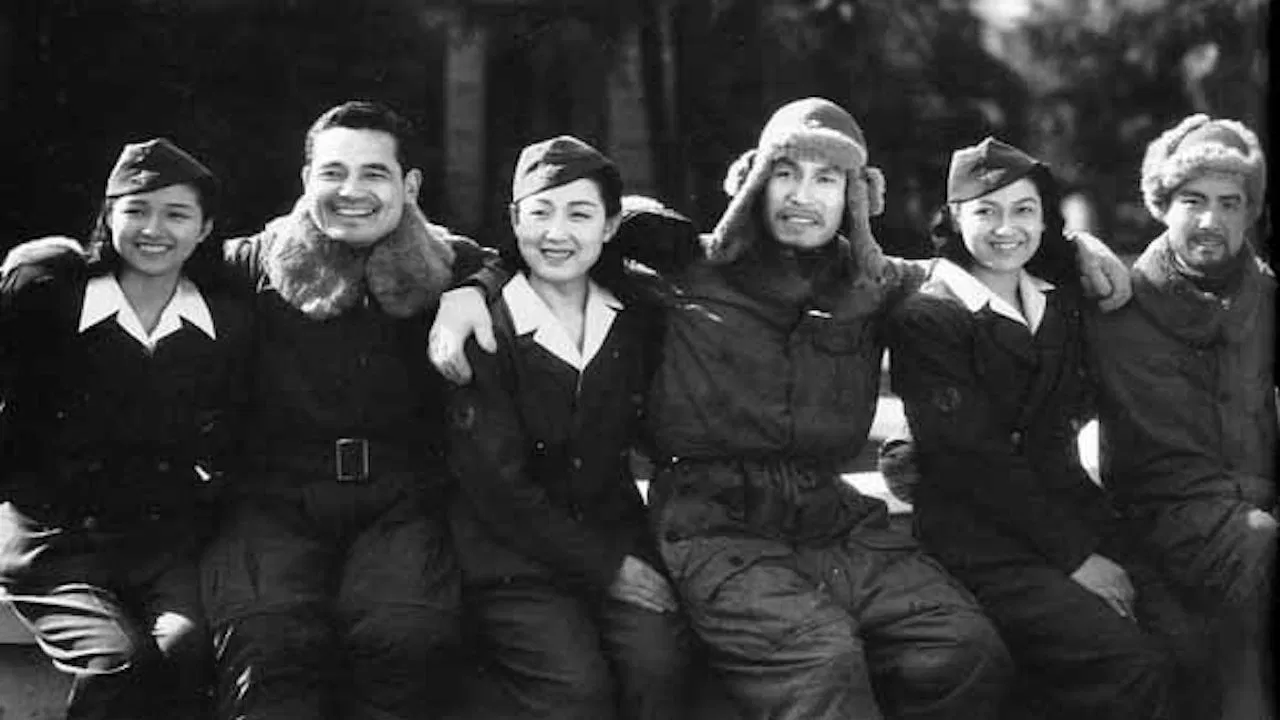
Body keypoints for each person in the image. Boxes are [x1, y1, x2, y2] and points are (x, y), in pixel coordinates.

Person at [430, 97, 1135, 719]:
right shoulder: (685, 265)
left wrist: (1072, 250)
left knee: (964, 649)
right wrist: (474, 283)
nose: (804, 196)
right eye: (786, 174)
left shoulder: (877, 284)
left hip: (835, 522)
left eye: (827, 179)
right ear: (754, 184)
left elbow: (983, 249)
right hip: (715, 524)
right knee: (824, 665)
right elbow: (561, 230)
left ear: (855, 197)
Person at [1, 101, 495, 720]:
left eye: (374, 174)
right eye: (333, 172)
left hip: (399, 505)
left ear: (409, 185)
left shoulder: (447, 265)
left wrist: (470, 293)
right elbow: (144, 254)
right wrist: (41, 260)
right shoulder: (250, 263)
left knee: (403, 637)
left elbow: (508, 261)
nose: (352, 191)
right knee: (267, 645)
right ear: (306, 179)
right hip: (273, 502)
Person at [885, 137, 1208, 720]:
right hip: (982, 541)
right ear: (954, 219)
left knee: (1185, 639)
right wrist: (1076, 558)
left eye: (1024, 210)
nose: (1006, 228)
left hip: (1071, 515)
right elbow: (973, 460)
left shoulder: (1055, 303)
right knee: (1129, 661)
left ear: (1044, 219)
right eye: (985, 211)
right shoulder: (928, 317)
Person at [0, 138, 251, 719]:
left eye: (177, 213)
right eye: (135, 209)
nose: (153, 229)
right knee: (116, 660)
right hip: (54, 543)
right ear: (108, 215)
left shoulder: (224, 323)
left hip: (161, 545)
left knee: (190, 649)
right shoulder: (45, 297)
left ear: (206, 228)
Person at [446, 135, 692, 719]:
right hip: (511, 559)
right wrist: (606, 568)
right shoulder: (486, 325)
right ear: (513, 219)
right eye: (540, 212)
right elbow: (495, 485)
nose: (556, 233)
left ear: (610, 226)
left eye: (580, 214)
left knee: (660, 664)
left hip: (613, 532)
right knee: (576, 691)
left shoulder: (634, 314)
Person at [1089, 114, 1275, 719]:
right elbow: (1030, 412)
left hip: (1256, 519)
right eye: (1192, 200)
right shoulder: (1111, 305)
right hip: (1159, 530)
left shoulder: (1266, 298)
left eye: (1230, 203)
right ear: (1160, 204)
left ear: (1250, 212)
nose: (1210, 221)